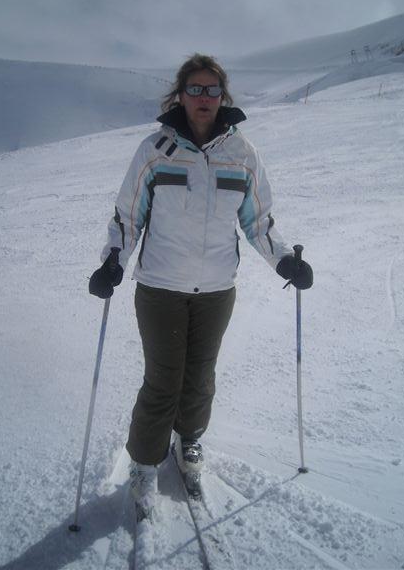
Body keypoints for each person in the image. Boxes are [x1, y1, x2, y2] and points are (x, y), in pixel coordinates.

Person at [89, 53, 313, 517]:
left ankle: (188, 439)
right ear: (181, 95)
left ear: (222, 95)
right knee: (163, 379)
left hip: (215, 290)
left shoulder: (243, 154)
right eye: (195, 88)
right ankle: (144, 463)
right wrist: (113, 261)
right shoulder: (155, 150)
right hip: (160, 288)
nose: (204, 97)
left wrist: (284, 261)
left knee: (201, 376)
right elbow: (129, 215)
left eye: (212, 89)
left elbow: (258, 221)